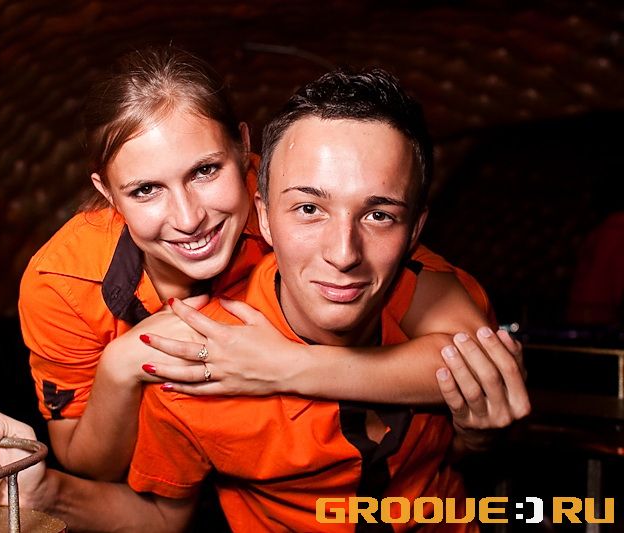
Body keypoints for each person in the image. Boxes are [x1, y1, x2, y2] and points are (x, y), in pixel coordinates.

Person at [0, 49, 527, 529]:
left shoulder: (310, 198)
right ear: (108, 194)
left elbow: (456, 337)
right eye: (146, 189)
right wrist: (123, 364)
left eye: (206, 171)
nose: (189, 218)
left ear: (244, 161)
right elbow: (102, 472)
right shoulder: (65, 284)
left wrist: (282, 367)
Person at [123, 68, 530, 531]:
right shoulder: (197, 370)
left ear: (415, 230)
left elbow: (467, 454)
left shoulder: (443, 299)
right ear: (265, 217)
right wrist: (57, 491)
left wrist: (478, 438)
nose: (343, 254)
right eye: (309, 209)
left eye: (379, 215)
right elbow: (159, 515)